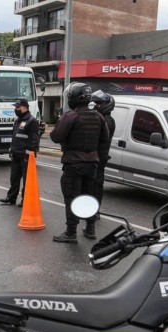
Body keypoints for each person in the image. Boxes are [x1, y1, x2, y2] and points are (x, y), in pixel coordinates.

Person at [49, 83, 109, 243]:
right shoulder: (99, 117)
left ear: (74, 98)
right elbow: (104, 141)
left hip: (74, 165)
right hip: (92, 165)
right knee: (89, 197)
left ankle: (71, 232)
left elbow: (55, 136)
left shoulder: (71, 116)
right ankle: (90, 229)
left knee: (72, 198)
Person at [0, 98, 41, 207]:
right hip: (16, 154)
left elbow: (34, 139)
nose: (16, 109)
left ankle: (25, 200)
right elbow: (15, 137)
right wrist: (11, 149)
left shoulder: (32, 121)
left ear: (24, 107)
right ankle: (11, 198)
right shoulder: (18, 120)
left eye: (17, 107)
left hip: (26, 156)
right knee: (14, 178)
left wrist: (29, 153)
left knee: (27, 180)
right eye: (15, 107)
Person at [89, 90, 115, 219]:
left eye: (98, 104)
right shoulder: (104, 119)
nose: (95, 106)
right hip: (98, 157)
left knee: (95, 185)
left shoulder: (107, 121)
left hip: (99, 158)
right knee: (93, 185)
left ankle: (94, 212)